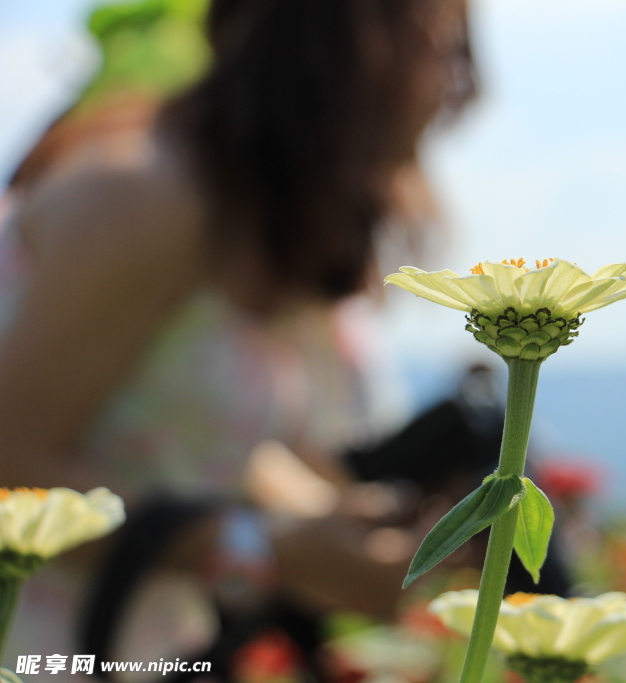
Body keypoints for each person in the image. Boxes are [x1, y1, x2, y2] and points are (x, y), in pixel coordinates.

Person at [0, 0, 475, 672]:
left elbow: (166, 429)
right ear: (350, 45)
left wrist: (336, 519)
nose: (463, 89)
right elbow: (9, 461)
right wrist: (267, 548)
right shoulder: (143, 196)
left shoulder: (235, 213)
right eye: (442, 48)